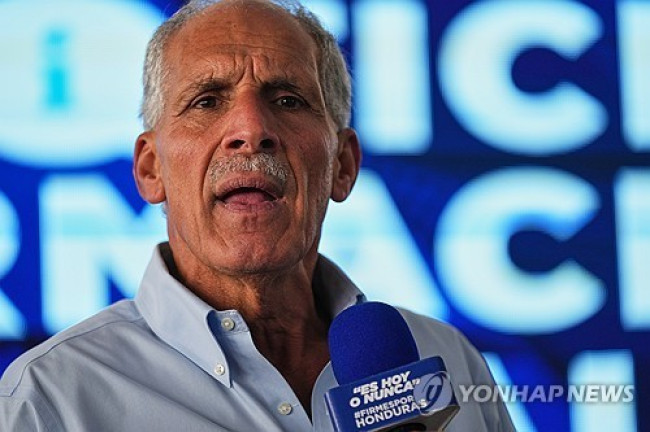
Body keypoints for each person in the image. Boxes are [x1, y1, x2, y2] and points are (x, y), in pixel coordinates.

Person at [0, 0, 515, 430]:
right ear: (151, 169)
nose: (250, 129)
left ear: (342, 165)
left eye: (288, 100)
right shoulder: (50, 398)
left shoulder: (446, 357)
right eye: (206, 101)